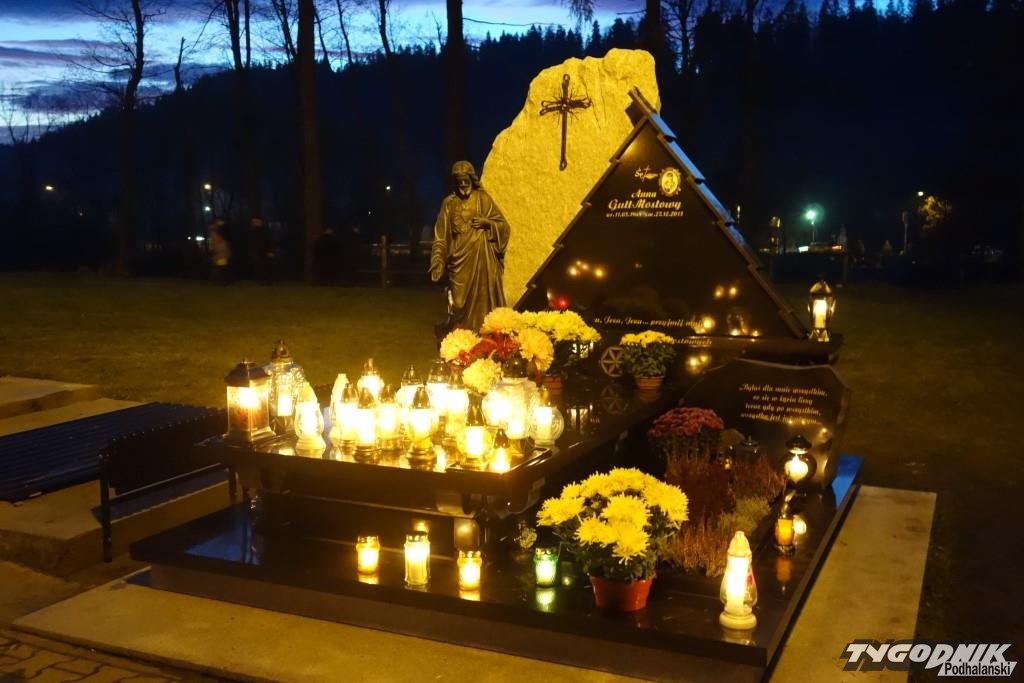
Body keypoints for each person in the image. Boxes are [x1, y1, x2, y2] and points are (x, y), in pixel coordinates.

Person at [430, 161, 510, 332]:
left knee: (484, 301)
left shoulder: (483, 199)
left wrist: (487, 223)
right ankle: (461, 339)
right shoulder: (449, 203)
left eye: (466, 180)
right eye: (459, 181)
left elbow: (504, 226)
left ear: (472, 180)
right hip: (459, 263)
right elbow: (441, 236)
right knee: (458, 305)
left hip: (483, 259)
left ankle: (485, 336)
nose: (463, 184)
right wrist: (438, 261)